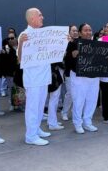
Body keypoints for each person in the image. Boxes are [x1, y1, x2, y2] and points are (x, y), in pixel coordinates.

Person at [18, 8, 55, 145]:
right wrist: (21, 43)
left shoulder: (43, 34)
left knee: (40, 106)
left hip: (44, 77)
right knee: (32, 107)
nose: (42, 17)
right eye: (40, 15)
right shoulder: (25, 34)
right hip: (33, 79)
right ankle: (30, 136)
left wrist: (64, 41)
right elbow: (20, 59)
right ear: (32, 18)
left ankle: (36, 129)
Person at [64, 23, 101, 134]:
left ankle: (87, 122)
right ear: (80, 33)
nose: (88, 32)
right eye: (85, 30)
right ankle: (77, 123)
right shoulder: (73, 44)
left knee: (92, 100)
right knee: (79, 101)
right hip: (79, 76)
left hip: (94, 76)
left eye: (90, 30)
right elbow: (68, 61)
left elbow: (103, 58)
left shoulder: (97, 44)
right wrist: (73, 55)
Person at [60, 25, 79, 121]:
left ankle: (75, 112)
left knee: (78, 94)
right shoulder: (65, 43)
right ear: (69, 32)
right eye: (73, 31)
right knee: (70, 93)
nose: (75, 32)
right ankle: (64, 112)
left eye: (76, 30)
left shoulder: (80, 42)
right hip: (69, 71)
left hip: (79, 72)